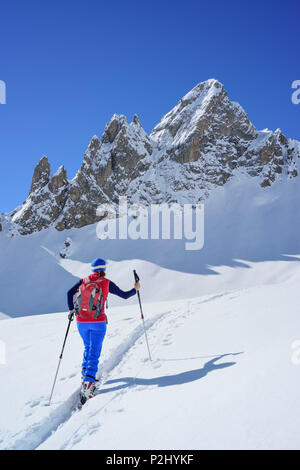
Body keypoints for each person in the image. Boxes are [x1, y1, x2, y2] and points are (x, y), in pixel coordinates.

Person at [67, 257, 140, 404]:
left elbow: (69, 293)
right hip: (97, 322)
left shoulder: (84, 280)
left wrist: (71, 309)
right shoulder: (106, 283)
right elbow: (125, 295)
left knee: (88, 347)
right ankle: (88, 386)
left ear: (93, 269)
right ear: (104, 269)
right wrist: (135, 289)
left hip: (81, 321)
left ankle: (85, 375)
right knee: (94, 352)